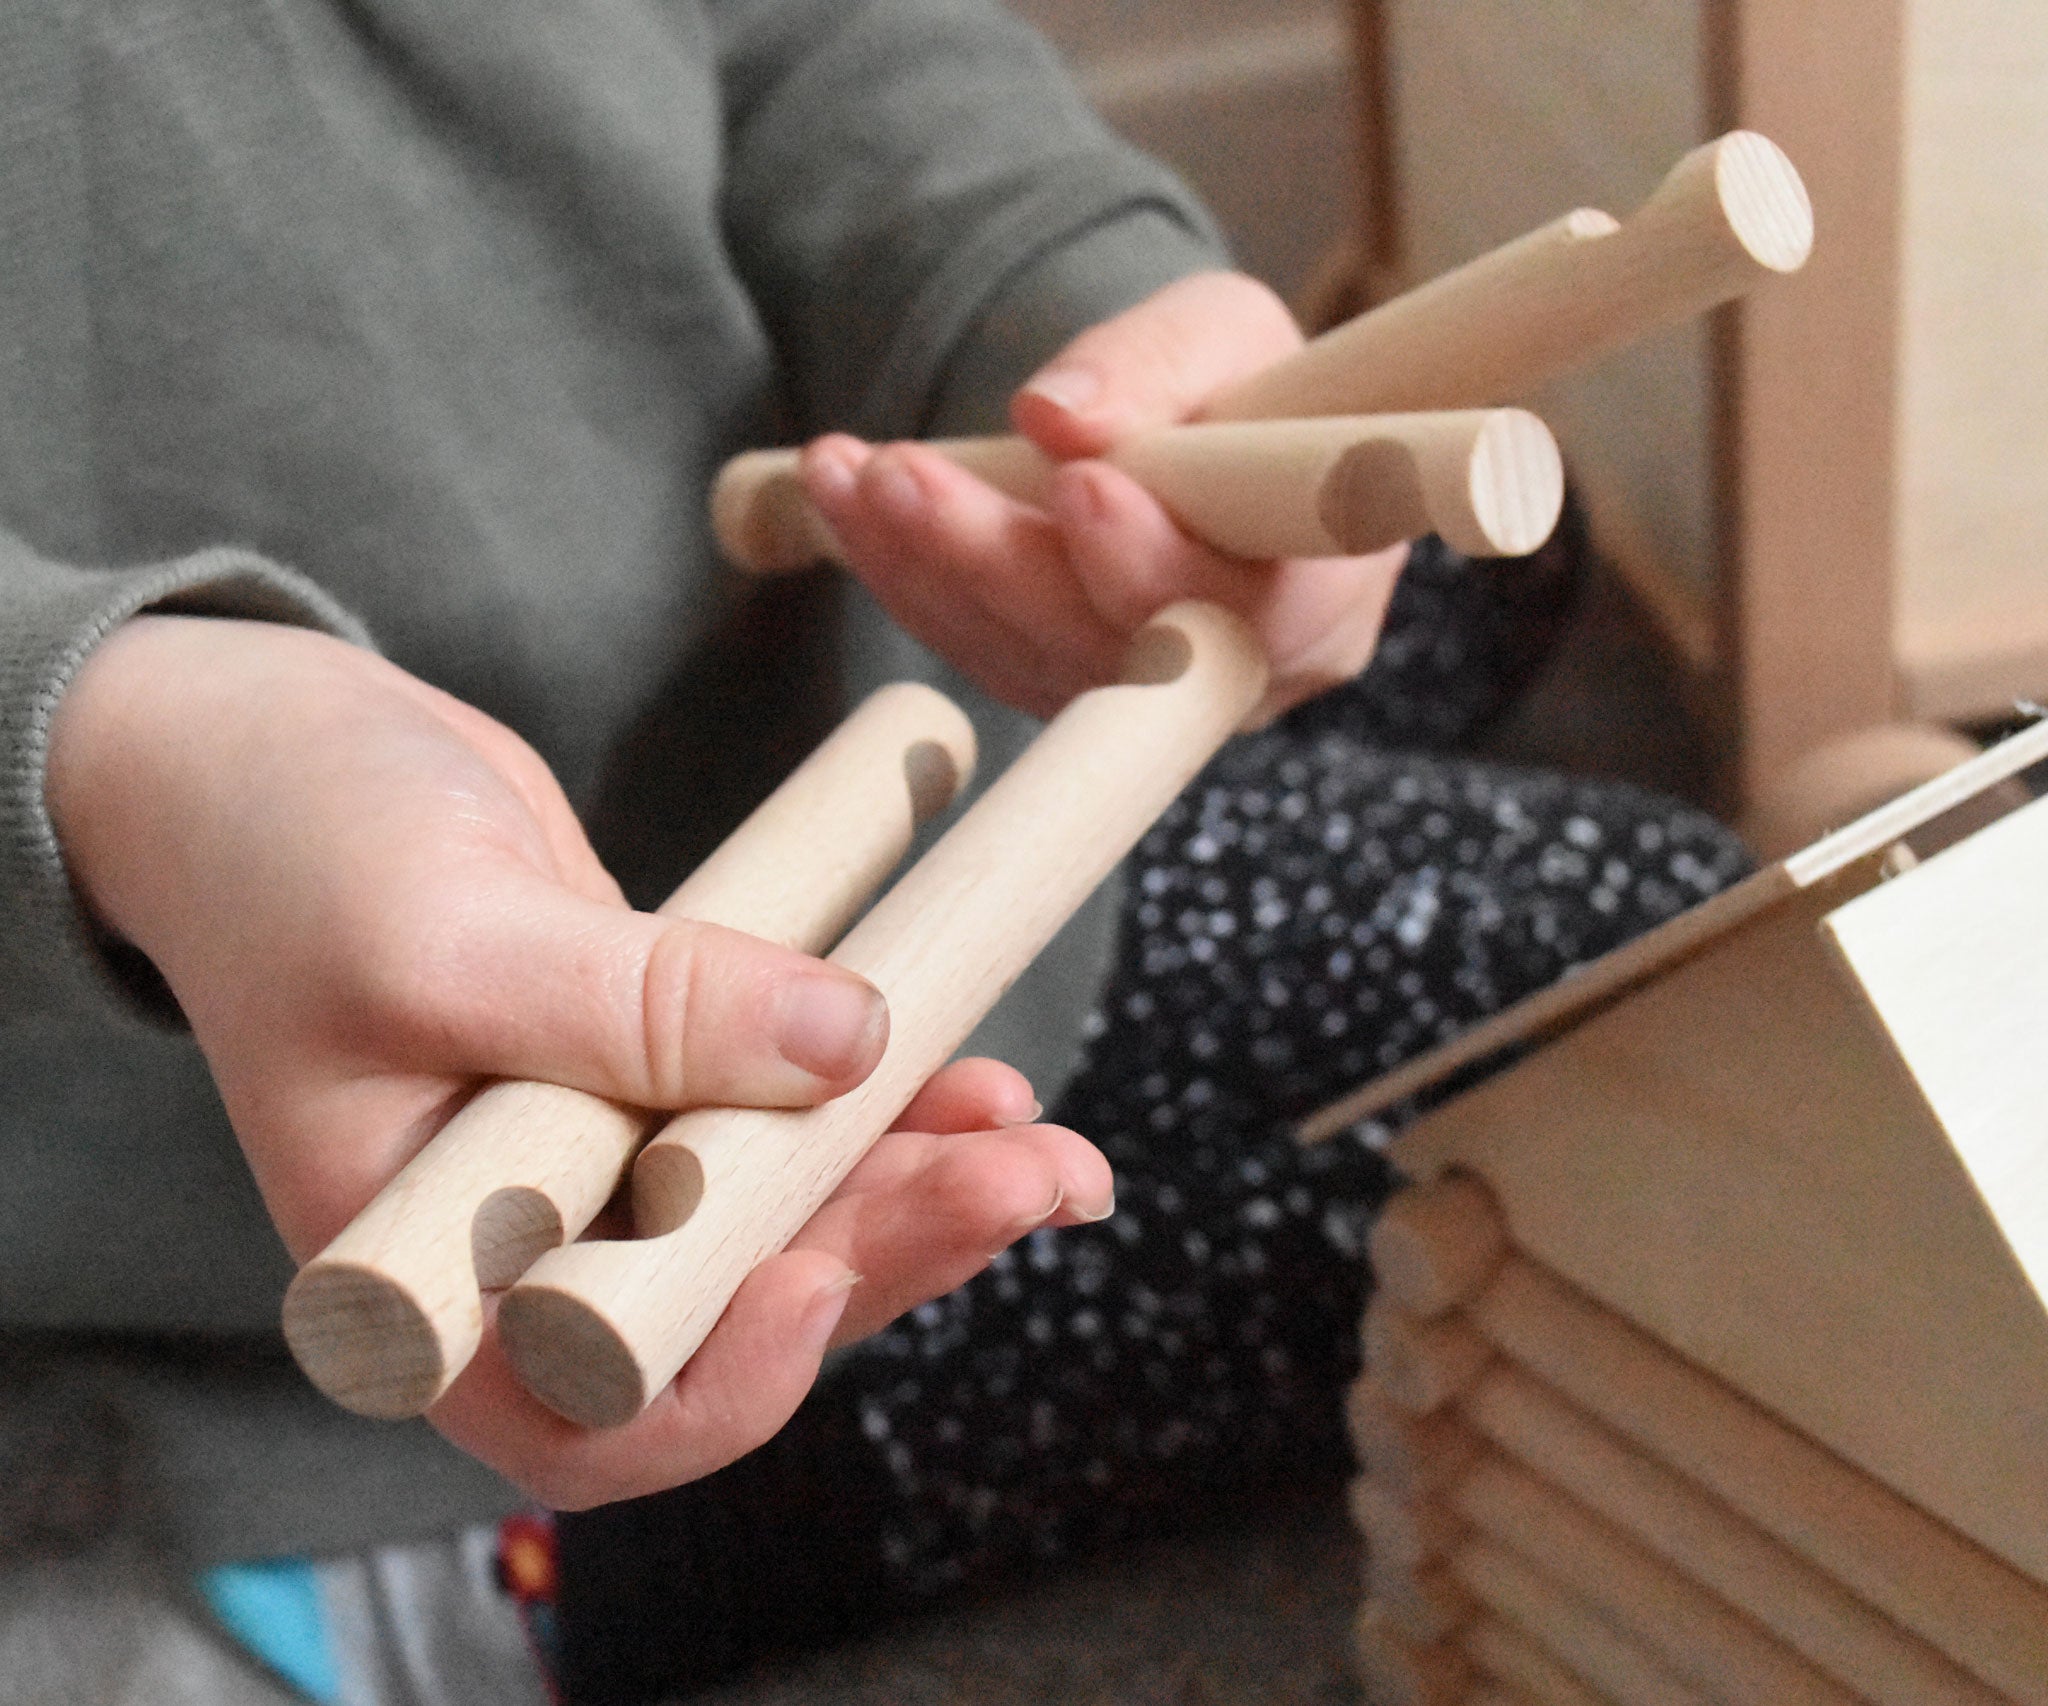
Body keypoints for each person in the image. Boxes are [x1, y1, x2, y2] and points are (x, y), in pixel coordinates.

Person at [0, 2, 1750, 1700]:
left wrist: (1076, 307)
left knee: (1486, 558)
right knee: (1664, 978)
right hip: (258, 1073)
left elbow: (802, 33)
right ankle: (381, 1553)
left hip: (770, 664)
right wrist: (124, 738)